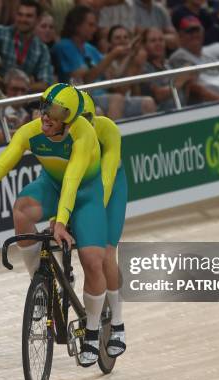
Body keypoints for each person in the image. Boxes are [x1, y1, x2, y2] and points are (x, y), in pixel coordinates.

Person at [0, 83, 107, 367]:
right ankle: (41, 283)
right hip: (52, 185)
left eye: (54, 115)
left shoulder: (83, 134)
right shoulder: (30, 131)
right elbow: (0, 171)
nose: (46, 118)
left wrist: (61, 222)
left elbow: (73, 179)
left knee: (91, 259)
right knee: (21, 211)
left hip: (86, 192)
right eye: (43, 109)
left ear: (70, 120)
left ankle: (94, 331)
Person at [79, 90, 127, 358]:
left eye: (89, 118)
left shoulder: (107, 128)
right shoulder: (64, 133)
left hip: (111, 187)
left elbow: (106, 181)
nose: (84, 124)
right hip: (84, 188)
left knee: (107, 252)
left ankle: (116, 324)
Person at [0, 0, 54, 92]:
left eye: (28, 16)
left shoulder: (41, 49)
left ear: (38, 19)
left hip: (21, 99)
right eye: (20, 15)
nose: (23, 19)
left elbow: (45, 83)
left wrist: (18, 87)